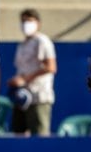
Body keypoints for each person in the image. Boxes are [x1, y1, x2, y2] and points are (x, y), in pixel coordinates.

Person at [8, 8, 56, 136]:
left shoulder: (42, 41)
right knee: (18, 134)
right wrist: (16, 81)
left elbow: (51, 67)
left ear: (38, 23)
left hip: (38, 97)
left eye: (29, 21)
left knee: (39, 137)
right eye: (23, 21)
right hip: (22, 97)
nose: (25, 24)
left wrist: (25, 79)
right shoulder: (22, 45)